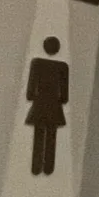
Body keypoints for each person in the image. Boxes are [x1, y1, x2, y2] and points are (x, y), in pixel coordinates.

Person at [25, 36, 70, 175]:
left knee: (39, 135)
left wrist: (32, 96)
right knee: (51, 137)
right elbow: (64, 95)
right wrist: (59, 99)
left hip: (40, 103)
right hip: (54, 106)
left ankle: (36, 167)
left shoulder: (37, 63)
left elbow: (31, 89)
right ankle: (48, 168)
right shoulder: (62, 67)